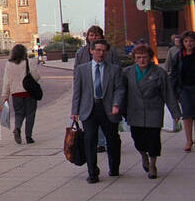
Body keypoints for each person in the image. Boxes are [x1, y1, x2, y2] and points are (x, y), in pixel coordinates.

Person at [71, 39, 124, 184]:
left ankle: (114, 168)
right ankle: (92, 172)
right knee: (89, 140)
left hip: (108, 109)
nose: (101, 53)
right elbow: (77, 91)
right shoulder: (82, 69)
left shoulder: (114, 69)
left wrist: (116, 104)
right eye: (98, 50)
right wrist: (74, 111)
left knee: (112, 139)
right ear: (91, 51)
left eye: (103, 50)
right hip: (89, 108)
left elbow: (119, 89)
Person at [123, 42, 180, 180]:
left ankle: (153, 164)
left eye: (145, 57)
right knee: (138, 139)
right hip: (135, 111)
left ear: (150, 58)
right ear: (134, 59)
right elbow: (121, 92)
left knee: (153, 139)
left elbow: (168, 93)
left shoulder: (159, 72)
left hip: (153, 110)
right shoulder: (127, 73)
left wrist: (175, 113)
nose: (142, 60)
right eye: (139, 57)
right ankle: (144, 156)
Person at [0, 43, 42, 144]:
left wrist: (5, 95)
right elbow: (37, 76)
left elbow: (6, 81)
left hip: (16, 93)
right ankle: (28, 136)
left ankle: (17, 128)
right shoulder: (29, 62)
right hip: (29, 93)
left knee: (19, 113)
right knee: (30, 114)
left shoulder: (9, 64)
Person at [167, 31, 195, 152]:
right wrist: (172, 90)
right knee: (187, 115)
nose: (189, 43)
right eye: (186, 41)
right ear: (183, 43)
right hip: (184, 89)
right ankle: (189, 140)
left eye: (192, 41)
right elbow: (174, 74)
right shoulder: (178, 56)